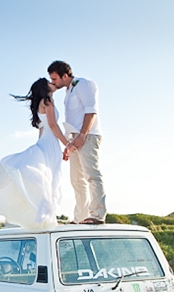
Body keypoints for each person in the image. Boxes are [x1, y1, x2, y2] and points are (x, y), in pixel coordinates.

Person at [0, 78, 69, 229]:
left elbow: (42, 129)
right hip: (50, 143)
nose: (53, 84)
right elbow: (52, 125)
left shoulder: (41, 103)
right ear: (44, 88)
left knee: (47, 178)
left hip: (46, 143)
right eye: (49, 83)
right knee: (50, 178)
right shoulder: (47, 101)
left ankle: (46, 216)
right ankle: (47, 217)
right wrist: (67, 144)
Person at [47, 60, 107, 224]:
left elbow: (91, 111)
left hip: (87, 135)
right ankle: (81, 216)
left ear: (64, 75)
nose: (53, 83)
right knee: (76, 180)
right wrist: (69, 143)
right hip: (74, 138)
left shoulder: (84, 84)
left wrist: (82, 135)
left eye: (54, 79)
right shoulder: (68, 92)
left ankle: (97, 215)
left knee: (92, 175)